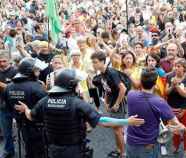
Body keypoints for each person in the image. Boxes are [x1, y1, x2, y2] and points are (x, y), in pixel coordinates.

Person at [15, 68, 145, 158]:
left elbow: (31, 116)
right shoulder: (76, 103)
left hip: (53, 150)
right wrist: (127, 121)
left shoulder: (44, 101)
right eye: (77, 85)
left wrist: (25, 109)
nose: (78, 87)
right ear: (71, 86)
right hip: (74, 151)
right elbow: (102, 121)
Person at [126, 68, 182, 158]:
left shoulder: (130, 94)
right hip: (147, 146)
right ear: (155, 84)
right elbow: (176, 123)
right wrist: (169, 128)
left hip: (130, 143)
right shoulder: (159, 102)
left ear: (141, 81)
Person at [3, 57, 48, 158]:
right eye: (36, 70)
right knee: (40, 150)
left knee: (29, 147)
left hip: (21, 123)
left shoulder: (9, 86)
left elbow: (7, 106)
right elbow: (46, 106)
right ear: (30, 71)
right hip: (38, 125)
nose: (39, 73)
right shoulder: (37, 86)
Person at [91, 52, 128, 157]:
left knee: (117, 130)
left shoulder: (111, 72)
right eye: (92, 62)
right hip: (111, 102)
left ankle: (123, 154)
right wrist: (106, 102)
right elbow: (107, 89)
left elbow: (123, 89)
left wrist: (116, 104)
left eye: (95, 62)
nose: (93, 64)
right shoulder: (102, 73)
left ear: (103, 62)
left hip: (118, 104)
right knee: (116, 129)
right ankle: (119, 150)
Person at [166, 58, 186, 156]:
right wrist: (172, 86)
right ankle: (175, 146)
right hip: (172, 108)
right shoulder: (170, 76)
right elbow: (166, 92)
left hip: (185, 109)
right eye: (174, 66)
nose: (176, 68)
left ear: (184, 68)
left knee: (185, 130)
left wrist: (176, 85)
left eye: (178, 66)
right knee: (175, 129)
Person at [0, 51, 17, 158]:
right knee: (6, 131)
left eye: (4, 61)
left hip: (16, 105)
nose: (2, 63)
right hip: (2, 105)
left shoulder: (15, 72)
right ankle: (8, 150)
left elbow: (14, 88)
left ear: (10, 61)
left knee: (23, 131)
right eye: (0, 61)